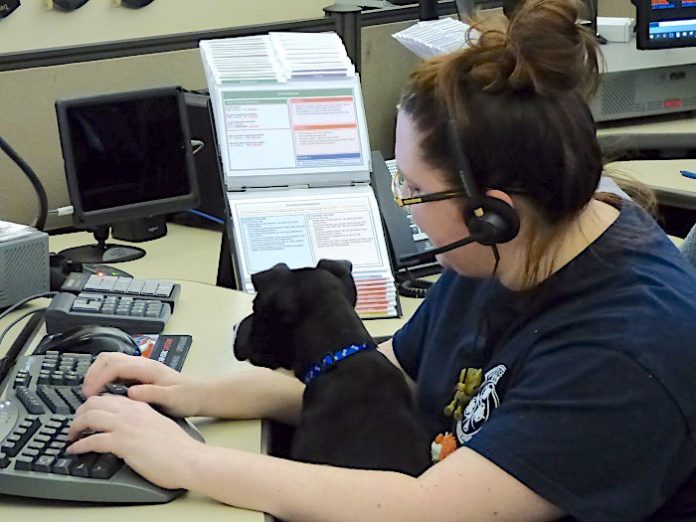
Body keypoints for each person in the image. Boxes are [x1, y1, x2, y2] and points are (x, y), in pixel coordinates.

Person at [66, 1, 696, 520]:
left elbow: (430, 508)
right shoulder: (506, 252)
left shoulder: (625, 348)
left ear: (491, 209)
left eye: (415, 191)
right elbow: (381, 378)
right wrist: (192, 393)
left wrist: (188, 461)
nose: (406, 207)